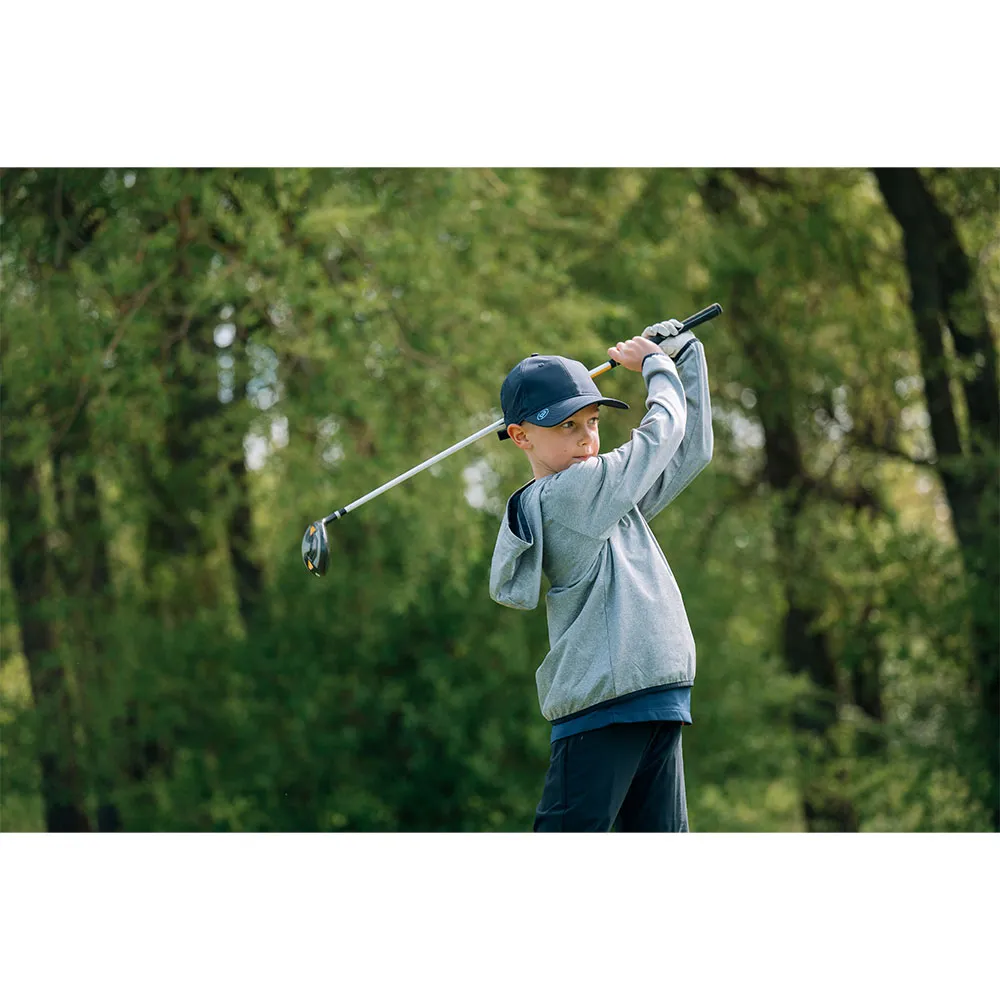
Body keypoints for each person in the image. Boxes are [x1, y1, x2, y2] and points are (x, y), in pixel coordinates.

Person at [489, 319, 713, 832]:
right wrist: (655, 365)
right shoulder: (569, 494)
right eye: (566, 426)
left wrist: (686, 357)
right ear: (521, 436)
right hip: (604, 706)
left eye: (591, 422)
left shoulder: (607, 497)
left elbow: (689, 451)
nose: (586, 438)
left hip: (655, 696)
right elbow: (661, 434)